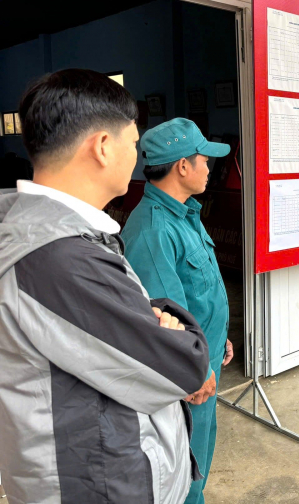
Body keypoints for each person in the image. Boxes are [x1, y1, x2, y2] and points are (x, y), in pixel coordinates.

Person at [0, 69, 210, 504]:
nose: (137, 156)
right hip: (100, 484)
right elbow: (180, 366)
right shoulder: (57, 259)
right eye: (133, 143)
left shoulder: (58, 237)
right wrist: (165, 325)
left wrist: (146, 315)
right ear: (102, 146)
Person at [121, 118, 232, 504]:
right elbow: (165, 320)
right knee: (187, 471)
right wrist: (197, 368)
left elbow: (193, 296)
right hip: (189, 378)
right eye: (204, 160)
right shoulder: (153, 230)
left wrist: (219, 335)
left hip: (205, 359)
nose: (209, 168)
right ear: (182, 166)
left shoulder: (183, 214)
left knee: (200, 454)